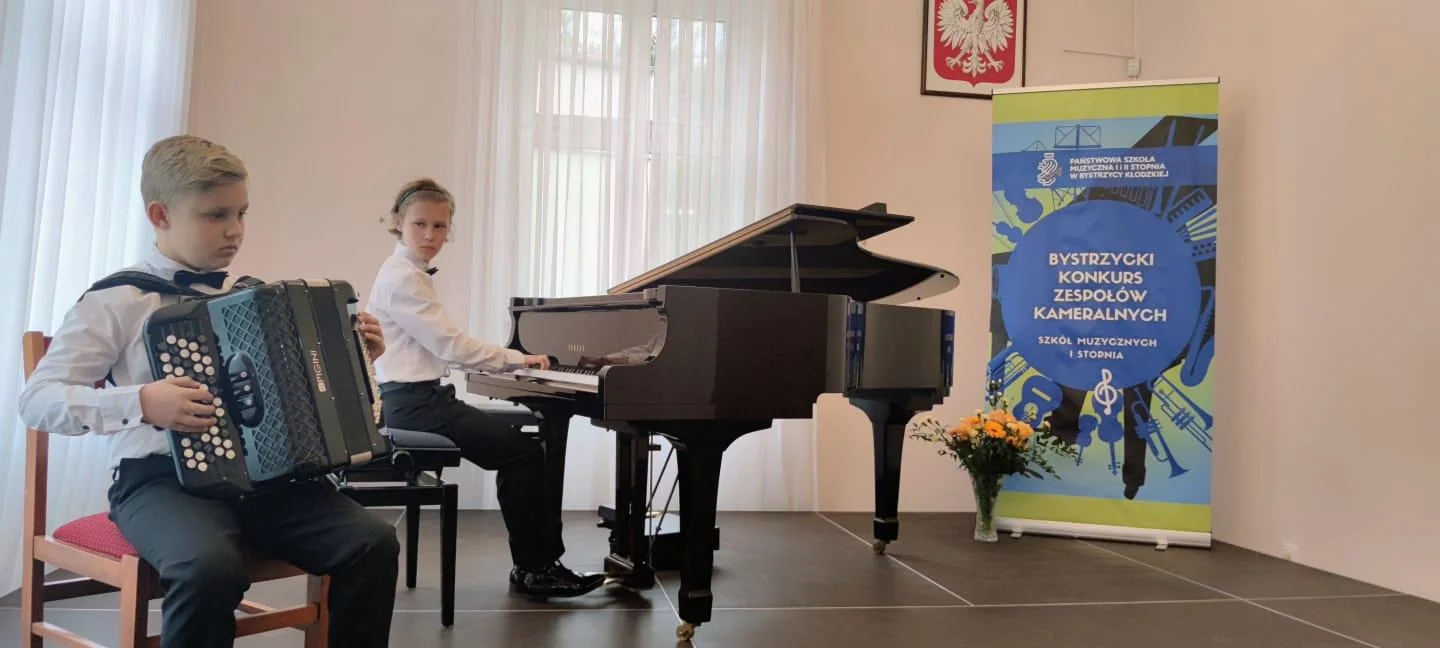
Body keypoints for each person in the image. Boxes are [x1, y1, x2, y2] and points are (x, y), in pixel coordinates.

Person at [18, 135, 401, 648]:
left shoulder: (248, 296)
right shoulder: (115, 300)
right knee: (207, 567)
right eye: (216, 215)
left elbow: (303, 394)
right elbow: (37, 400)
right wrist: (142, 402)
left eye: (241, 213)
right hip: (157, 483)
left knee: (372, 543)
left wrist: (357, 358)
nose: (235, 230)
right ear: (160, 215)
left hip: (267, 483)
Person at [366, 178, 606, 599]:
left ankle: (535, 563)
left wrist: (509, 360)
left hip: (418, 400)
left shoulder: (405, 272)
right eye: (420, 224)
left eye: (440, 226)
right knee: (524, 455)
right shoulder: (404, 278)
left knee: (524, 444)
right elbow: (452, 346)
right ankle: (536, 569)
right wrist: (517, 359)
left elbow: (445, 347)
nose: (430, 235)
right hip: (415, 406)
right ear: (398, 223)